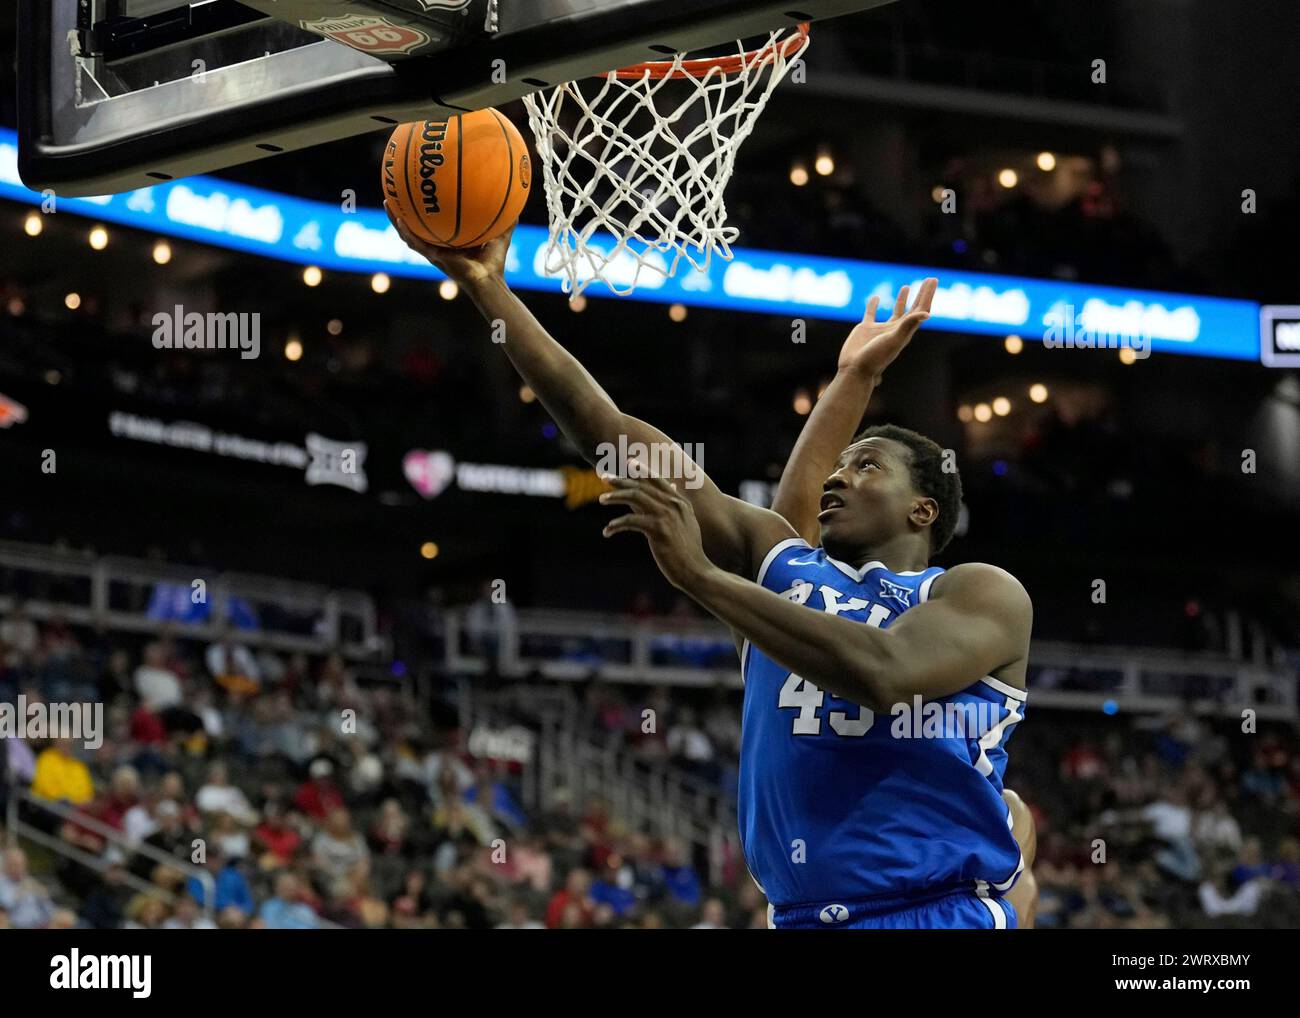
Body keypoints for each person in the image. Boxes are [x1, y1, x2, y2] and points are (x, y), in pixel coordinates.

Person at [390, 214, 1032, 929]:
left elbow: (883, 672)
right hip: (802, 915)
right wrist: (490, 291)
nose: (839, 477)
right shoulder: (787, 572)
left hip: (933, 913)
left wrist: (700, 577)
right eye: (841, 465)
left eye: (867, 465)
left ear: (923, 510)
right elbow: (607, 426)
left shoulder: (979, 592)